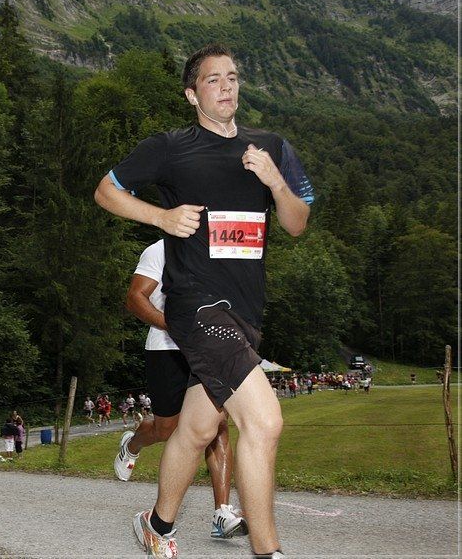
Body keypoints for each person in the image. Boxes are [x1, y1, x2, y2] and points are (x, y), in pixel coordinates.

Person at [94, 43, 313, 559]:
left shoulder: (271, 147)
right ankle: (268, 551)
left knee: (197, 427)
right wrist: (161, 217)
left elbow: (297, 223)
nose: (226, 87)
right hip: (195, 306)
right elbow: (106, 191)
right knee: (264, 421)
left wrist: (275, 181)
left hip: (246, 312)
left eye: (232, 77)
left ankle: (156, 524)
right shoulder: (172, 148)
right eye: (213, 80)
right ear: (193, 95)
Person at [115, 240, 248, 541]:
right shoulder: (160, 250)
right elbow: (135, 298)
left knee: (217, 424)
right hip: (167, 349)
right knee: (166, 429)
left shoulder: (217, 251)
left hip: (207, 349)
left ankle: (222, 513)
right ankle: (133, 443)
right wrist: (172, 324)